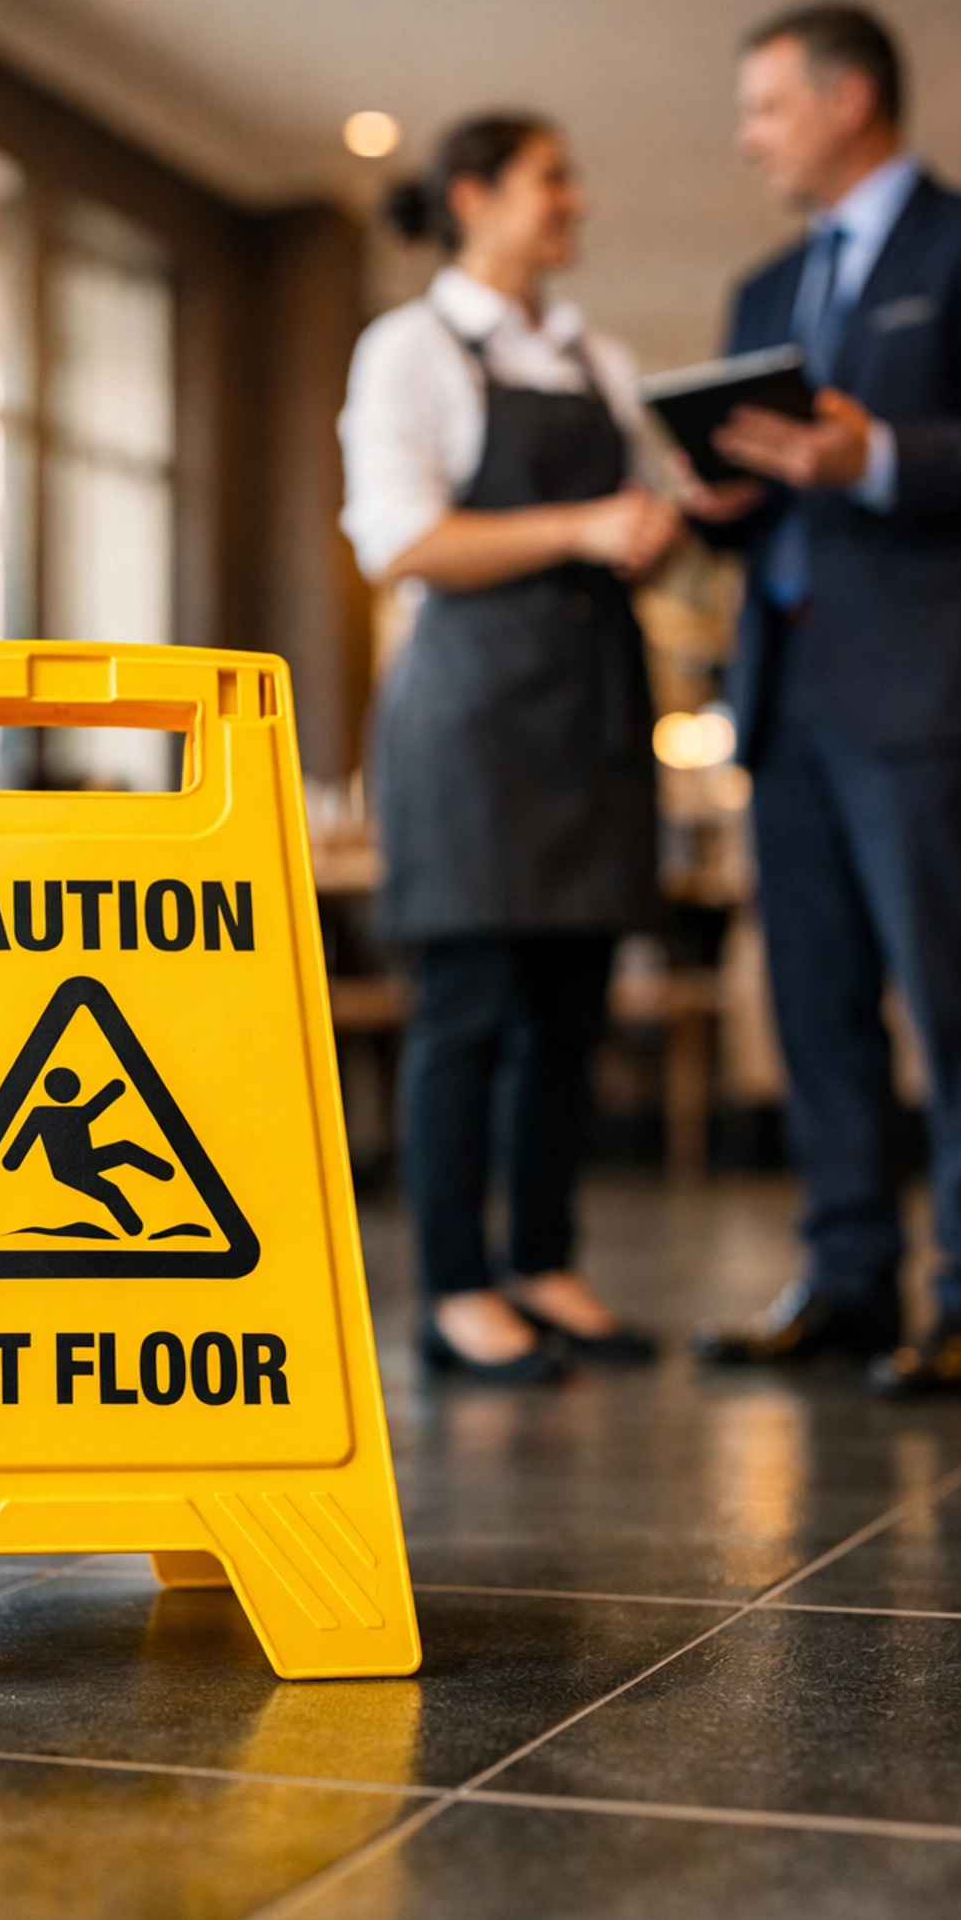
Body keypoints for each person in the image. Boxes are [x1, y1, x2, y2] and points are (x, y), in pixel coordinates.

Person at [676, 3, 961, 1396]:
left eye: (767, 107)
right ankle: (848, 1276)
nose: (748, 137)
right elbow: (759, 493)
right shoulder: (761, 288)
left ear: (850, 100)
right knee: (816, 1000)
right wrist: (715, 500)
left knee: (954, 997)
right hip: (785, 695)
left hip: (928, 685)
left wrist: (876, 453)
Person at [340, 113, 684, 1384]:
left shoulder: (601, 356)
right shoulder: (411, 349)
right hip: (472, 724)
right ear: (473, 196)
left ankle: (545, 1262)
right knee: (469, 1013)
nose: (574, 203)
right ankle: (457, 1288)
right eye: (552, 180)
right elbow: (404, 543)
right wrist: (590, 525)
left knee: (568, 1015)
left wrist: (660, 527)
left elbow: (635, 516)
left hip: (589, 710)